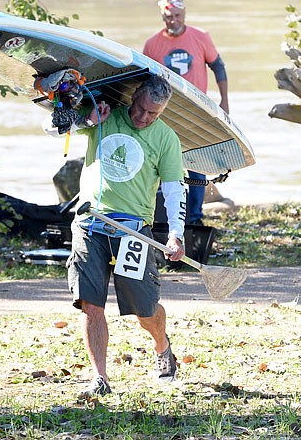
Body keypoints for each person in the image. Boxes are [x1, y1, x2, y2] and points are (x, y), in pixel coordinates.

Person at [63, 75, 187, 398]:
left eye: (152, 114)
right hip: (90, 222)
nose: (143, 117)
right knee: (91, 303)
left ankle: (162, 346)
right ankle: (100, 378)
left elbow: (174, 190)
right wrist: (88, 120)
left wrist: (176, 234)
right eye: (141, 108)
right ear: (133, 97)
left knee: (145, 311)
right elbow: (54, 128)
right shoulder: (104, 114)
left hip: (133, 230)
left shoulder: (166, 139)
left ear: (161, 112)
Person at [143, 0, 230, 225]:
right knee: (160, 163)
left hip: (196, 112)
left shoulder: (200, 37)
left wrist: (224, 101)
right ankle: (159, 217)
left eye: (177, 15)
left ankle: (194, 217)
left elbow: (219, 67)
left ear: (184, 14)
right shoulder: (152, 44)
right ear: (163, 17)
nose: (173, 20)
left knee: (196, 165)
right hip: (165, 113)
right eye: (168, 17)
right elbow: (144, 80)